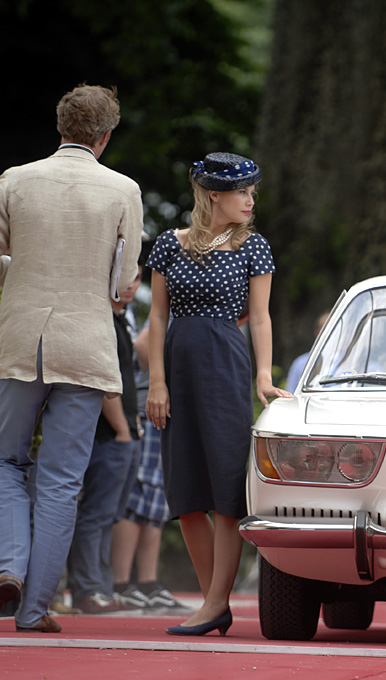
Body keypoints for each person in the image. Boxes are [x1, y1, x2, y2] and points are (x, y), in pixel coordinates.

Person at [0, 84, 143, 633]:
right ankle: (35, 608)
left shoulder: (15, 179)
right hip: (86, 343)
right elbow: (124, 282)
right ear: (105, 136)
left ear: (60, 126)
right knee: (62, 481)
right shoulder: (122, 189)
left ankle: (9, 565)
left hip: (18, 338)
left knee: (7, 462)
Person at [146, 152, 290, 637]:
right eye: (242, 192)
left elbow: (262, 317)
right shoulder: (170, 244)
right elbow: (157, 318)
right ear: (213, 194)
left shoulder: (253, 247)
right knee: (186, 493)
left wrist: (263, 376)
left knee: (226, 492)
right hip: (177, 367)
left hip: (225, 367)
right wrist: (157, 381)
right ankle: (215, 603)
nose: (251, 200)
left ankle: (212, 604)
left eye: (252, 191)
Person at [65, 271, 144, 614]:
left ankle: (102, 586)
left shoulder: (122, 320)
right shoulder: (102, 322)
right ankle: (86, 589)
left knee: (109, 515)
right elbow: (102, 380)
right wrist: (122, 428)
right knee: (95, 514)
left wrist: (132, 425)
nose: (131, 284)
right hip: (108, 434)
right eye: (125, 276)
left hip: (126, 431)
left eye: (137, 278)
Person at [110, 317, 189, 613]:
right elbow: (143, 344)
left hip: (165, 415)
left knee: (157, 500)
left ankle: (147, 582)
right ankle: (121, 582)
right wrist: (162, 380)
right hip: (150, 409)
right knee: (139, 494)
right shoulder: (170, 307)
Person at [286, 311, 331, 392]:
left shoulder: (349, 362)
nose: (331, 334)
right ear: (317, 332)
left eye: (334, 330)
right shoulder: (301, 363)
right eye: (326, 329)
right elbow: (291, 395)